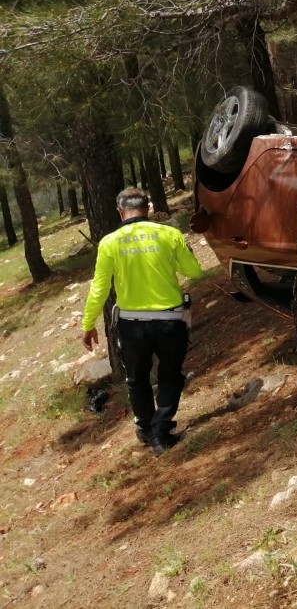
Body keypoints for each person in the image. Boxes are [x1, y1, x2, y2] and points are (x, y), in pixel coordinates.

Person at [81, 188, 202, 455]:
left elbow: (99, 289)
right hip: (172, 320)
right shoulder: (169, 234)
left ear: (120, 211)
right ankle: (160, 430)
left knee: (137, 379)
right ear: (148, 208)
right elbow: (193, 270)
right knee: (171, 374)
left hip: (132, 325)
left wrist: (88, 324)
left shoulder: (110, 242)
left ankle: (148, 429)